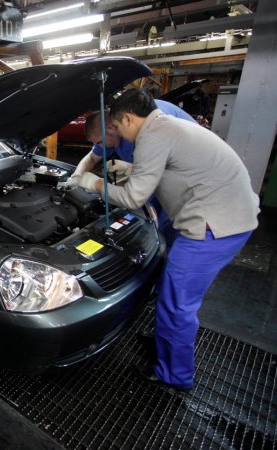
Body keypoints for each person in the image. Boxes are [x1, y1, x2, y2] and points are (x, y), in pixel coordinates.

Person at [76, 89, 259, 391]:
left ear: (127, 118)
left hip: (213, 227)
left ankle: (173, 375)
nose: (119, 135)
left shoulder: (153, 135)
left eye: (119, 127)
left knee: (177, 306)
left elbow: (135, 195)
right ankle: (167, 340)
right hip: (224, 214)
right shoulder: (165, 126)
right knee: (172, 295)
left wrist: (93, 183)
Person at [67, 100, 196, 242]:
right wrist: (76, 176)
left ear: (110, 128)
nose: (100, 146)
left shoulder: (148, 123)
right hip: (158, 175)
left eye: (99, 142)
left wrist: (98, 184)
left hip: (188, 182)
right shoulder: (115, 131)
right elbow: (92, 158)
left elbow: (167, 169)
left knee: (171, 227)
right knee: (149, 216)